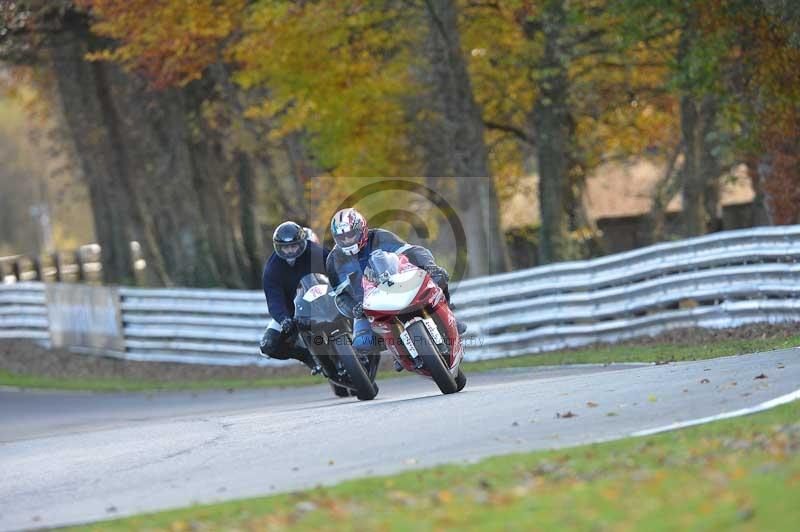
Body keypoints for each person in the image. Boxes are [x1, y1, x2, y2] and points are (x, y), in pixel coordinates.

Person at [325, 208, 464, 367]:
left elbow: (413, 251)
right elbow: (341, 295)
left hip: (399, 283)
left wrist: (430, 267)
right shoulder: (334, 260)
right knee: (363, 343)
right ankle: (398, 352)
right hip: (366, 304)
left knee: (439, 278)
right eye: (342, 237)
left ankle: (449, 315)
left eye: (351, 234)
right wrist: (354, 309)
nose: (348, 240)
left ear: (362, 229)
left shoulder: (379, 236)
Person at [259, 221, 330, 372]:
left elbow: (337, 268)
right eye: (285, 247)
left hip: (326, 298)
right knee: (267, 346)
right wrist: (284, 318)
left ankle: (360, 342)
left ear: (302, 243)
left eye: (294, 246)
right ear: (278, 247)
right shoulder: (272, 269)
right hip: (292, 310)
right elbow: (274, 301)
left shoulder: (316, 252)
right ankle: (307, 357)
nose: (290, 251)